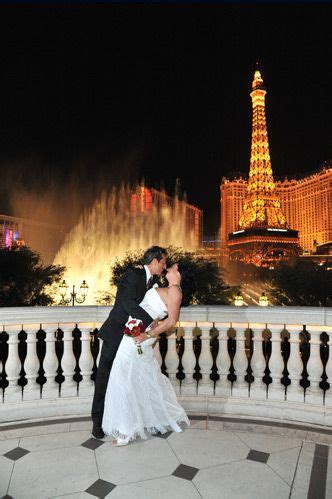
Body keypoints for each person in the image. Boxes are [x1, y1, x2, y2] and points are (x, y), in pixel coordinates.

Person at [102, 262, 190, 446]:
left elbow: (172, 321)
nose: (168, 268)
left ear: (179, 274)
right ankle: (146, 421)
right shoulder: (168, 288)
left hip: (137, 337)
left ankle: (127, 430)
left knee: (125, 378)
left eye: (172, 268)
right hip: (135, 333)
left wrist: (147, 334)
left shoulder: (175, 291)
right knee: (138, 377)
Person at [91, 246, 167, 439]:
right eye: (163, 262)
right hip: (116, 334)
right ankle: (97, 422)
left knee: (128, 379)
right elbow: (127, 303)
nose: (164, 267)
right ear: (155, 261)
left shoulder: (154, 281)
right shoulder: (133, 274)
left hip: (133, 339)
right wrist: (150, 320)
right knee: (105, 377)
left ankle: (124, 419)